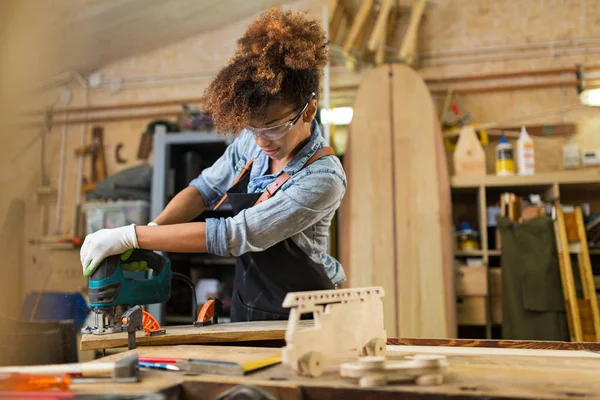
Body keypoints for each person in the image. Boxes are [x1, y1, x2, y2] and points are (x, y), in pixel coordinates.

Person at [79, 8, 347, 322]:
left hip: (310, 313)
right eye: (252, 129)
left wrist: (132, 236)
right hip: (253, 304)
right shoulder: (254, 143)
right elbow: (204, 190)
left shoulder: (323, 177)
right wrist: (155, 231)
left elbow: (234, 234)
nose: (262, 142)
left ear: (309, 110)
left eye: (275, 127)